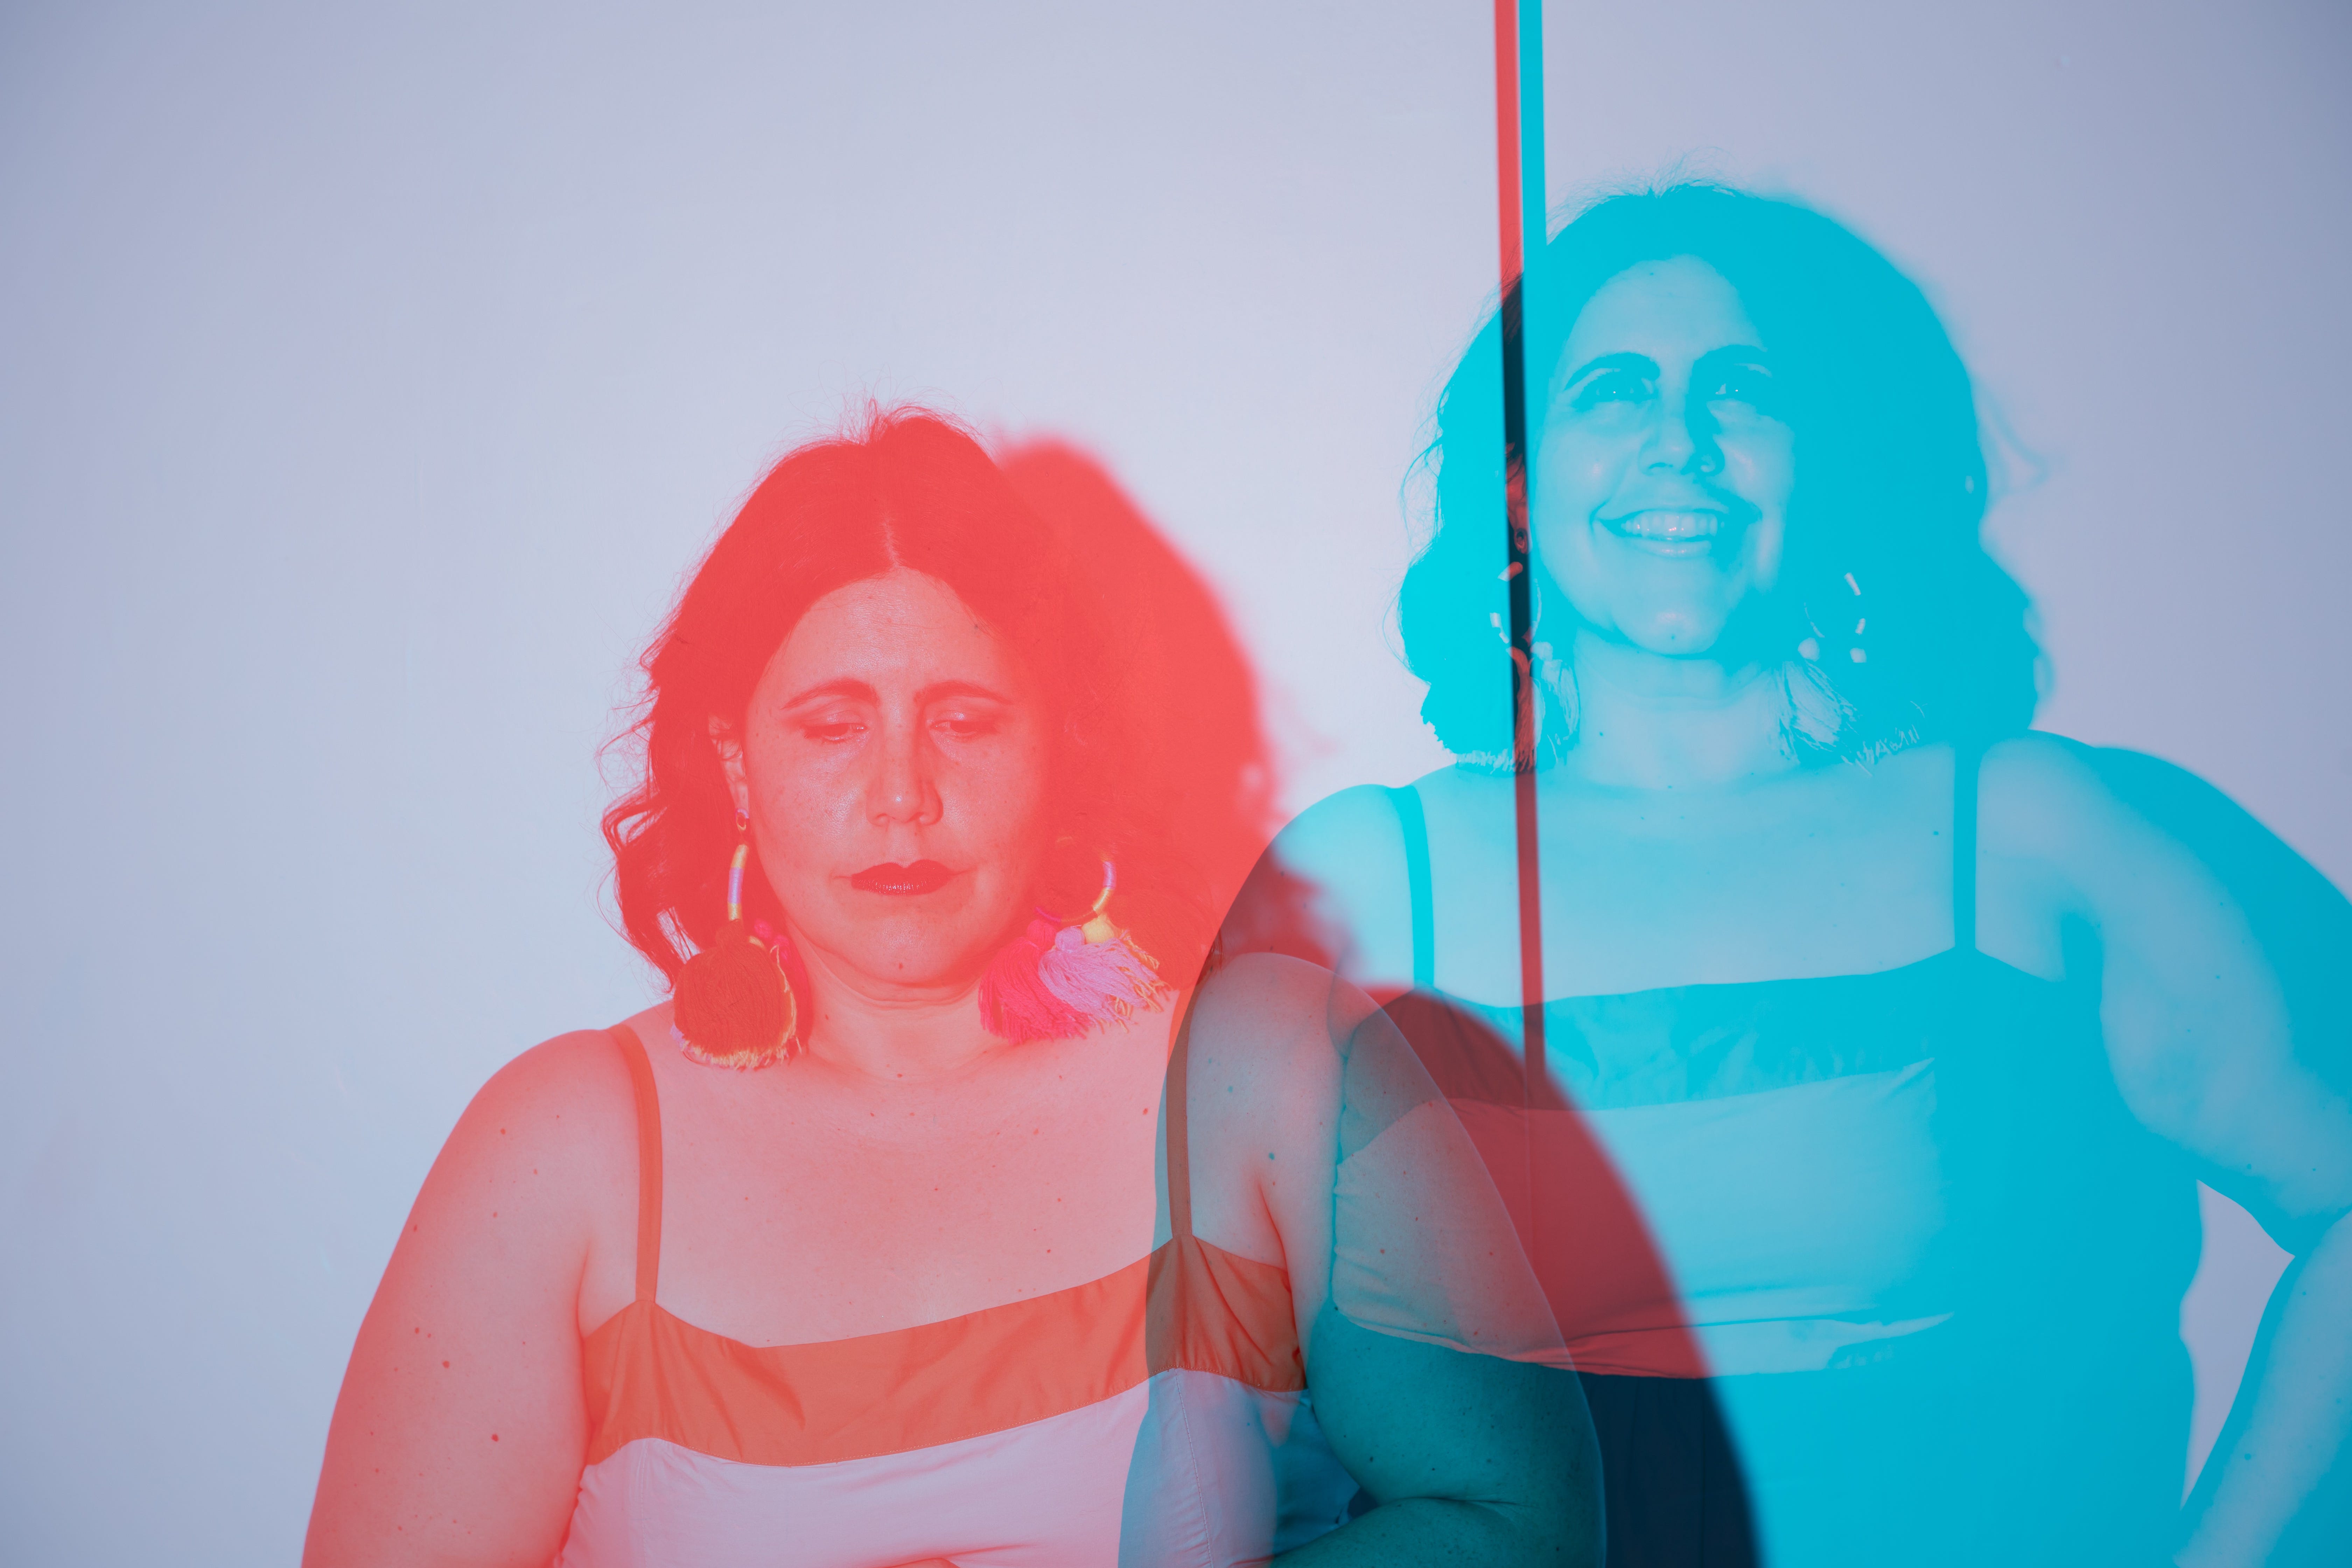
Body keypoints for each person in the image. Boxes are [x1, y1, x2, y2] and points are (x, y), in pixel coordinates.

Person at [1226, 184, 2352, 1567]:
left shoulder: (2031, 838)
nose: (1678, 441)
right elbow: (1209, 1395)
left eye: (1742, 391)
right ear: (1516, 486)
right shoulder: (1357, 879)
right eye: (1612, 392)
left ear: (1829, 465)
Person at [301, 408, 1601, 1567]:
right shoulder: (563, 1149)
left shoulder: (1269, 1067)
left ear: (1060, 747)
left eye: (966, 721)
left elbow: (1522, 1527)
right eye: (832, 726)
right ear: (735, 762)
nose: (902, 796)